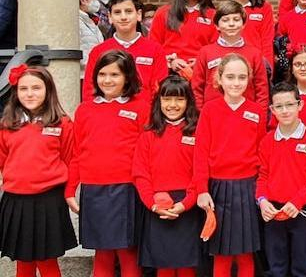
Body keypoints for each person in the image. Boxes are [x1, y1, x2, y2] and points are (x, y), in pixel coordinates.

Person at [67, 50, 149, 277]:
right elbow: (76, 152)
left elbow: (147, 151)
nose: (107, 80)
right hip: (94, 189)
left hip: (127, 188)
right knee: (102, 252)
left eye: (115, 74)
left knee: (127, 252)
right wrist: (70, 188)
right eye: (102, 74)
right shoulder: (85, 109)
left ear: (127, 77)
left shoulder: (140, 107)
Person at [0, 65, 78, 277]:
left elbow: (71, 159)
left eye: (36, 87)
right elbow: (3, 161)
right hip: (16, 201)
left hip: (49, 200)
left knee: (47, 262)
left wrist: (70, 192)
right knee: (23, 262)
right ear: (16, 92)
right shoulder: (7, 125)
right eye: (24, 88)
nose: (30, 93)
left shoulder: (62, 123)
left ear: (48, 90)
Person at [194, 53, 266, 277]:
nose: (236, 83)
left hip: (248, 187)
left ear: (249, 80)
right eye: (231, 77)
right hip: (218, 189)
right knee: (222, 252)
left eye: (242, 77)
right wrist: (202, 190)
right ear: (220, 79)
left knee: (246, 252)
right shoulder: (209, 110)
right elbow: (200, 152)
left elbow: (263, 154)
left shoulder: (256, 111)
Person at [132, 75, 203, 277]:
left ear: (188, 101)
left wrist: (185, 204)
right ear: (158, 102)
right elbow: (140, 174)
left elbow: (201, 173)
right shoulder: (148, 136)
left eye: (179, 99)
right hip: (156, 205)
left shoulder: (197, 133)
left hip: (188, 206)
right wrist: (153, 204)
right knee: (163, 265)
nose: (173, 105)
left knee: (186, 265)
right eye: (167, 99)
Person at [258, 82, 306, 277]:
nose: (285, 110)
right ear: (272, 109)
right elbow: (262, 176)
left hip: (302, 211)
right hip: (273, 212)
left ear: (300, 105)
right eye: (279, 106)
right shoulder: (267, 142)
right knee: (276, 268)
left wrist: (297, 202)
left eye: (290, 104)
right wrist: (262, 202)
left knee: (302, 268)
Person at [82, 0, 168, 104]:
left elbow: (160, 90)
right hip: (108, 117)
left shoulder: (155, 50)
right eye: (117, 12)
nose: (123, 17)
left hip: (145, 117)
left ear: (138, 15)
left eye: (128, 11)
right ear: (110, 17)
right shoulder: (99, 51)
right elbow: (89, 92)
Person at [191, 0, 269, 111]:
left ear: (243, 24)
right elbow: (196, 88)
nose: (231, 24)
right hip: (213, 115)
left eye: (236, 20)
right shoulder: (205, 52)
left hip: (245, 115)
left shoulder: (255, 54)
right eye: (225, 20)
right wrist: (201, 114)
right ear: (217, 26)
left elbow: (262, 90)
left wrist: (259, 116)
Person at [149, 0, 217, 76]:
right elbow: (153, 46)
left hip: (201, 75)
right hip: (169, 77)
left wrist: (201, 62)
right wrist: (170, 62)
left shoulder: (212, 15)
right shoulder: (163, 12)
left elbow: (215, 48)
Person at [228, 0, 275, 69]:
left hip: (257, 65)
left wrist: (267, 68)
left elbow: (267, 41)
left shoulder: (264, 8)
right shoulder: (225, 9)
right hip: (231, 65)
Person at [78, 0, 106, 78]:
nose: (96, 2)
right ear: (83, 1)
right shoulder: (77, 22)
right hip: (83, 75)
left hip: (95, 73)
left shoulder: (90, 20)